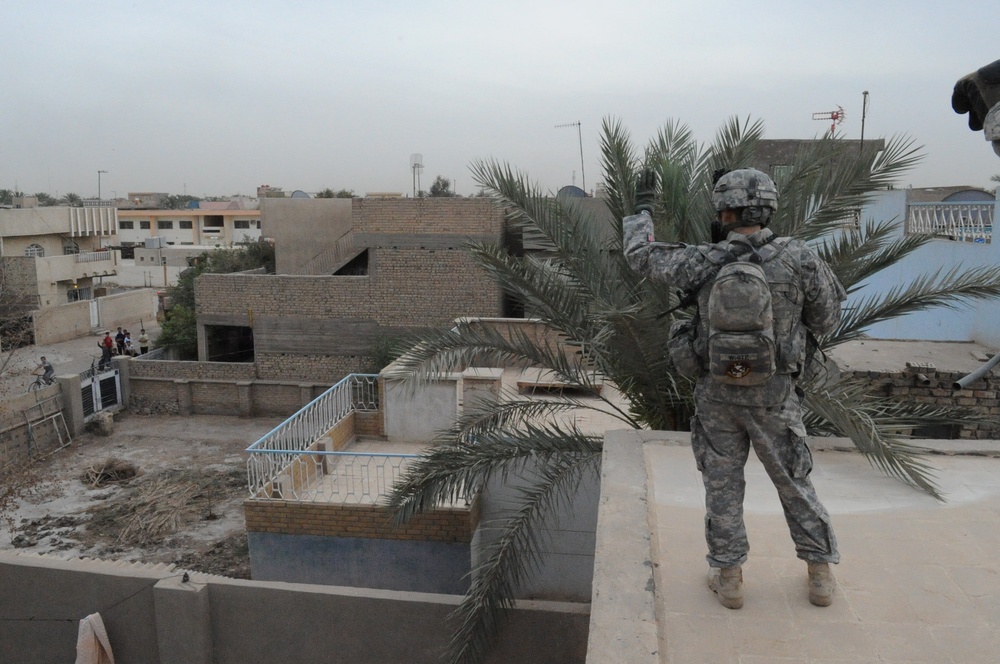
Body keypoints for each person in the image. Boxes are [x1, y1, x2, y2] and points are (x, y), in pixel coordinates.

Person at [622, 168, 846, 609]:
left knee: (722, 485)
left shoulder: (701, 260)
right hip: (775, 396)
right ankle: (819, 574)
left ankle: (729, 579)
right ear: (768, 208)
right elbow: (826, 320)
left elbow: (641, 256)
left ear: (724, 210)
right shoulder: (800, 258)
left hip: (717, 394)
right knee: (794, 482)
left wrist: (642, 209)